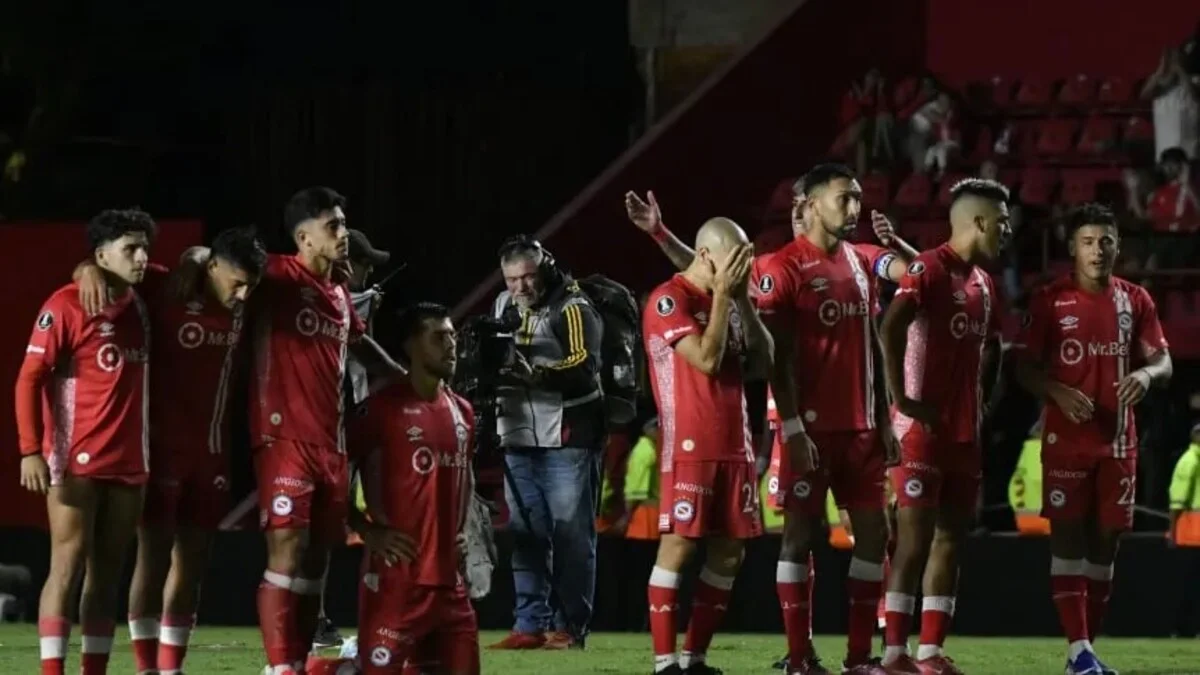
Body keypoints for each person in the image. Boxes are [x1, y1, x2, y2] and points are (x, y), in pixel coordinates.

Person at [626, 167, 915, 675]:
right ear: (809, 204)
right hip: (792, 431)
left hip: (848, 429)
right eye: (844, 199)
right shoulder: (776, 268)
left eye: (857, 199)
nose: (855, 208)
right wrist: (662, 236)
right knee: (790, 537)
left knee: (865, 535)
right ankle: (792, 657)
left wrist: (886, 417)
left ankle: (860, 658)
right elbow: (711, 276)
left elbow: (907, 286)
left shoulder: (861, 259)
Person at [178, 187, 402, 674]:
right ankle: (280, 668)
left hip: (332, 443)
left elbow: (361, 346)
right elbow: (215, 260)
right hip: (282, 439)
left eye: (343, 224)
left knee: (318, 560)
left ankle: (297, 662)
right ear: (304, 238)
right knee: (287, 550)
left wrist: (403, 380)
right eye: (333, 226)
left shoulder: (339, 292)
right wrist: (195, 257)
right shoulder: (276, 275)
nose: (343, 234)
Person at [73, 226, 268, 674]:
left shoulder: (244, 295)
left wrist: (197, 255)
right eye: (236, 283)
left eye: (250, 286)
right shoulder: (166, 285)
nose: (242, 295)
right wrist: (86, 270)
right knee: (154, 556)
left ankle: (170, 668)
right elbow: (108, 271)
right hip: (160, 452)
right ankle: (146, 667)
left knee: (193, 562)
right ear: (214, 266)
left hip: (212, 454)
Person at [1014, 203, 1172, 675]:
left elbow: (1163, 361)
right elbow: (1023, 369)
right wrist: (1057, 391)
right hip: (1066, 443)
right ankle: (1079, 649)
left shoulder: (1136, 300)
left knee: (1106, 545)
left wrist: (1146, 375)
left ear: (1118, 246)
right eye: (1088, 242)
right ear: (1072, 247)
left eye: (1106, 241)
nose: (1098, 250)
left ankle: (1081, 654)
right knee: (1067, 540)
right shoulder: (1049, 300)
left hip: (1119, 443)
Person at [15, 208, 157, 675]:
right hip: (74, 460)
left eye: (144, 248)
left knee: (107, 573)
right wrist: (30, 450)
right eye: (130, 249)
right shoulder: (66, 304)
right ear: (101, 256)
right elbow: (28, 378)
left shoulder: (143, 301)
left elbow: (197, 264)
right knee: (67, 565)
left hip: (130, 462)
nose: (141, 257)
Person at [878, 178, 1011, 674]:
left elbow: (994, 345)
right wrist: (902, 400)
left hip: (962, 433)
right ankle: (894, 654)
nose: (1008, 230)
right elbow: (890, 327)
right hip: (920, 431)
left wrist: (983, 398)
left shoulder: (983, 282)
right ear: (978, 222)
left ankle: (930, 652)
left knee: (951, 538)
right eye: (1002, 221)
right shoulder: (929, 268)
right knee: (913, 541)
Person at [642, 217, 773, 674]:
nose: (741, 269)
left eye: (745, 260)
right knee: (679, 547)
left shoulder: (731, 300)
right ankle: (665, 663)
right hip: (689, 448)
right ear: (704, 256)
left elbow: (764, 361)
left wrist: (741, 301)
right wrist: (723, 298)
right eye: (733, 260)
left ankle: (694, 658)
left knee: (730, 553)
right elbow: (708, 360)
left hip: (736, 445)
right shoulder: (668, 299)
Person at [487, 235, 606, 650]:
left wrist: (536, 374)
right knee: (525, 533)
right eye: (511, 279)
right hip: (518, 434)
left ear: (546, 269)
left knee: (572, 536)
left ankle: (569, 628)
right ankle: (529, 625)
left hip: (568, 438)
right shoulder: (502, 304)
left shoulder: (573, 307)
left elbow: (585, 365)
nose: (520, 287)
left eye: (528, 277)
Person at [351, 302, 478, 674]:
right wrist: (365, 529)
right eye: (438, 337)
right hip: (396, 581)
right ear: (410, 346)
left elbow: (464, 479)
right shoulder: (379, 410)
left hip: (451, 586)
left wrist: (464, 533)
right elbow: (331, 474)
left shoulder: (463, 412)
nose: (451, 345)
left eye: (452, 336)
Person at [312, 227, 393, 651]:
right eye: (363, 265)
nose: (367, 275)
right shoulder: (326, 299)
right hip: (326, 427)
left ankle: (326, 617)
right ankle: (312, 617)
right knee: (320, 526)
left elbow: (362, 348)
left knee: (338, 523)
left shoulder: (348, 302)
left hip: (354, 419)